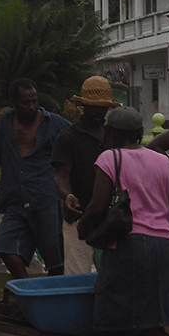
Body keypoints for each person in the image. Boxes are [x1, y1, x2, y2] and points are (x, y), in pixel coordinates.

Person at [78, 107, 169, 336]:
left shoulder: (110, 158)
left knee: (114, 328)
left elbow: (96, 206)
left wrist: (83, 226)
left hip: (125, 245)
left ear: (113, 134)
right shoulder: (164, 161)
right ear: (140, 133)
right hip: (163, 245)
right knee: (154, 327)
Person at [0, 77, 70, 279]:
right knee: (4, 247)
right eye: (26, 102)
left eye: (34, 100)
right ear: (15, 103)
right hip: (16, 201)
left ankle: (52, 301)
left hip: (45, 200)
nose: (32, 106)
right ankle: (27, 291)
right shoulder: (7, 122)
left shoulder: (54, 123)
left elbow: (75, 141)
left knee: (55, 259)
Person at [51, 75, 119, 274]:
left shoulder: (113, 136)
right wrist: (68, 196)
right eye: (93, 106)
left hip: (110, 219)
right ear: (83, 106)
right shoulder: (68, 137)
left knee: (112, 277)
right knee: (76, 276)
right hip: (78, 218)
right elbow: (61, 174)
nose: (98, 111)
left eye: (102, 107)